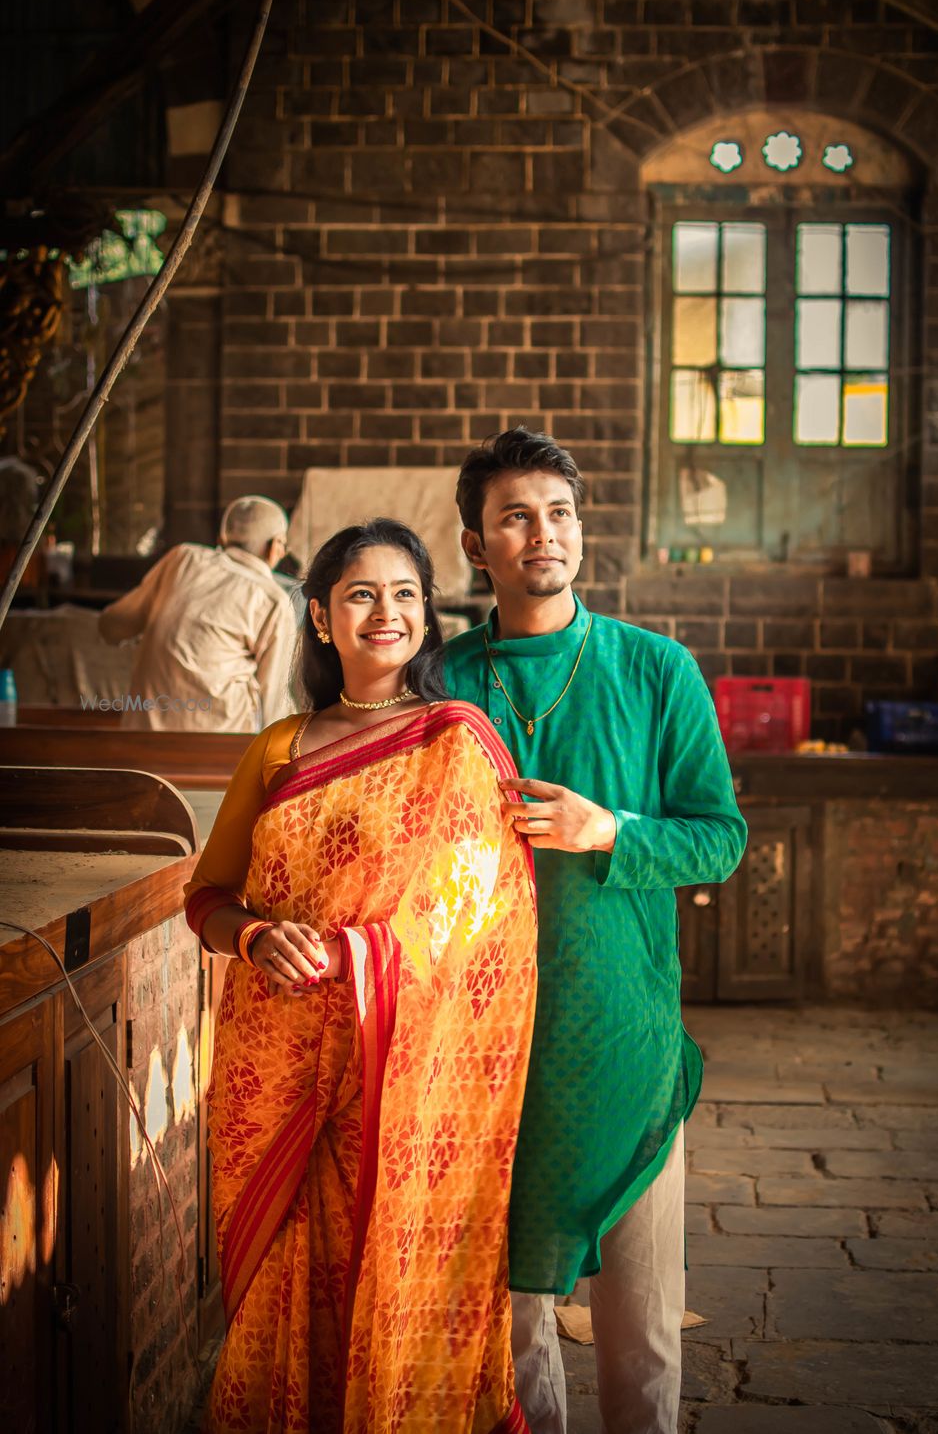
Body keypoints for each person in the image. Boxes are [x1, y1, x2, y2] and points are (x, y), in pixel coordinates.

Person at [184, 518, 537, 1433]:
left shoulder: (455, 741)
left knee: (395, 1266)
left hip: (405, 1076)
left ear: (428, 614)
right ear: (319, 616)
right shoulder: (278, 747)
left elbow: (476, 910)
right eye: (361, 594)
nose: (387, 612)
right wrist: (255, 937)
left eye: (406, 593)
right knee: (281, 1278)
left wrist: (353, 955)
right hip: (280, 1063)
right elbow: (209, 896)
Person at [443, 429, 748, 1434]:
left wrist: (608, 829)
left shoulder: (655, 670)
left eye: (560, 512)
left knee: (644, 1318)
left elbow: (720, 839)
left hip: (623, 1041)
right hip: (482, 1054)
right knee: (507, 1322)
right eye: (516, 516)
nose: (544, 533)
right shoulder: (440, 686)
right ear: (475, 547)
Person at [98, 495, 295, 731]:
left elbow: (111, 626)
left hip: (142, 736)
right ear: (274, 547)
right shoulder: (273, 599)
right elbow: (274, 703)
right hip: (219, 748)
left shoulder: (183, 558)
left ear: (221, 538)